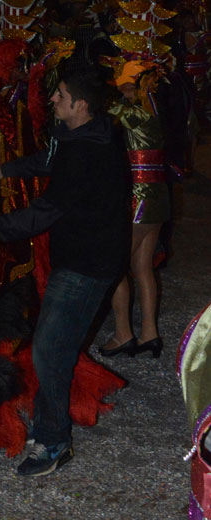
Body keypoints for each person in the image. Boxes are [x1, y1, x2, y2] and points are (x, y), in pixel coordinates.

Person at [0, 66, 130, 477]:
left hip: (88, 263)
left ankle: (53, 441)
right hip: (81, 256)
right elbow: (48, 160)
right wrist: (2, 171)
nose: (53, 99)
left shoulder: (88, 151)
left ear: (81, 105)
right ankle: (49, 428)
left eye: (62, 95)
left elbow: (46, 211)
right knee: (53, 346)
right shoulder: (83, 134)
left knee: (50, 349)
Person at [99, 60, 170, 359]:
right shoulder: (155, 111)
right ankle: (150, 334)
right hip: (159, 197)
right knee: (142, 268)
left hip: (140, 199)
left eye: (126, 82)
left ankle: (123, 334)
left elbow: (99, 106)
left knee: (116, 265)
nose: (121, 87)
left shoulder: (136, 113)